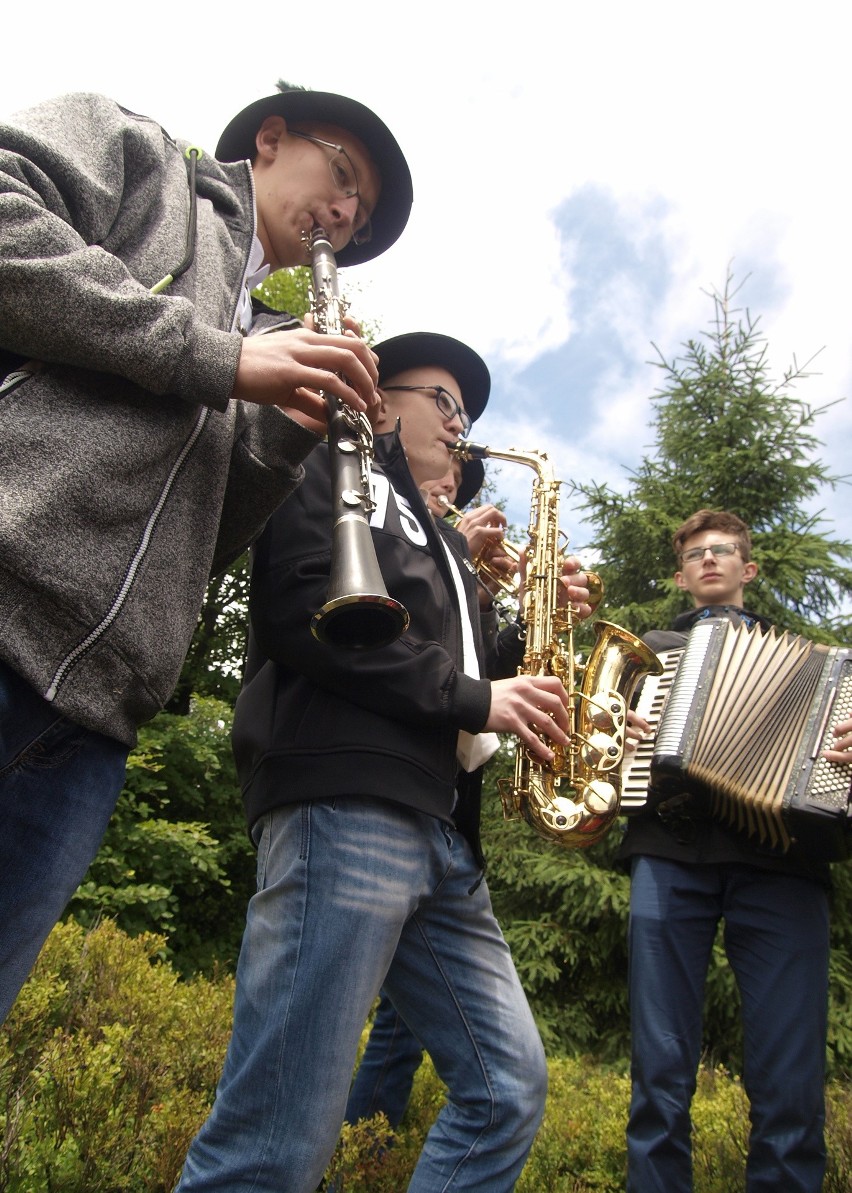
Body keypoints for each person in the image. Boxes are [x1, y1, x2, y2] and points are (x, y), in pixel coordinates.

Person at [0, 85, 412, 1023]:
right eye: (342, 175)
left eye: (361, 214)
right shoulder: (139, 156)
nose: (344, 216)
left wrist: (286, 436)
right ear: (269, 139)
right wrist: (216, 357)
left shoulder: (271, 335)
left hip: (92, 724)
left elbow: (198, 546)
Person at [175, 331, 592, 1192]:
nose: (460, 423)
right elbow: (301, 606)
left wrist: (529, 642)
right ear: (383, 395)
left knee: (506, 1090)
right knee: (274, 1139)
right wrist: (481, 701)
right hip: (347, 798)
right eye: (442, 399)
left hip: (440, 829)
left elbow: (465, 678)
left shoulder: (436, 537)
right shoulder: (332, 457)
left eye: (467, 411)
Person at [619, 509, 852, 1193]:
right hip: (669, 850)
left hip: (784, 865)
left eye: (723, 551)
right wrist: (622, 737)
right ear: (681, 574)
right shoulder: (644, 653)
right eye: (696, 554)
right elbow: (599, 754)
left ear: (748, 568)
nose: (710, 560)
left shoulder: (822, 667)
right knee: (659, 1072)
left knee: (790, 1079)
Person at [343, 454, 514, 1132]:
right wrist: (455, 556)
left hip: (450, 818)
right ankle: (358, 1146)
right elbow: (392, 641)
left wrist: (519, 606)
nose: (451, 489)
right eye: (442, 485)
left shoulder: (470, 582)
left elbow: (487, 682)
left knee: (411, 1029)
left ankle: (366, 1151)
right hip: (378, 795)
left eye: (458, 489)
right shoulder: (389, 520)